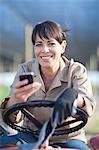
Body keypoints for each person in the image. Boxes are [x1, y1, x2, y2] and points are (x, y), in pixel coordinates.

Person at [1, 20, 96, 150]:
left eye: (51, 44)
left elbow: (88, 107)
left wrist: (73, 98)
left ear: (62, 47)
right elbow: (11, 119)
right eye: (39, 44)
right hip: (30, 136)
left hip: (68, 138)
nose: (44, 50)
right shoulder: (25, 70)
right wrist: (15, 100)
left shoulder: (76, 71)